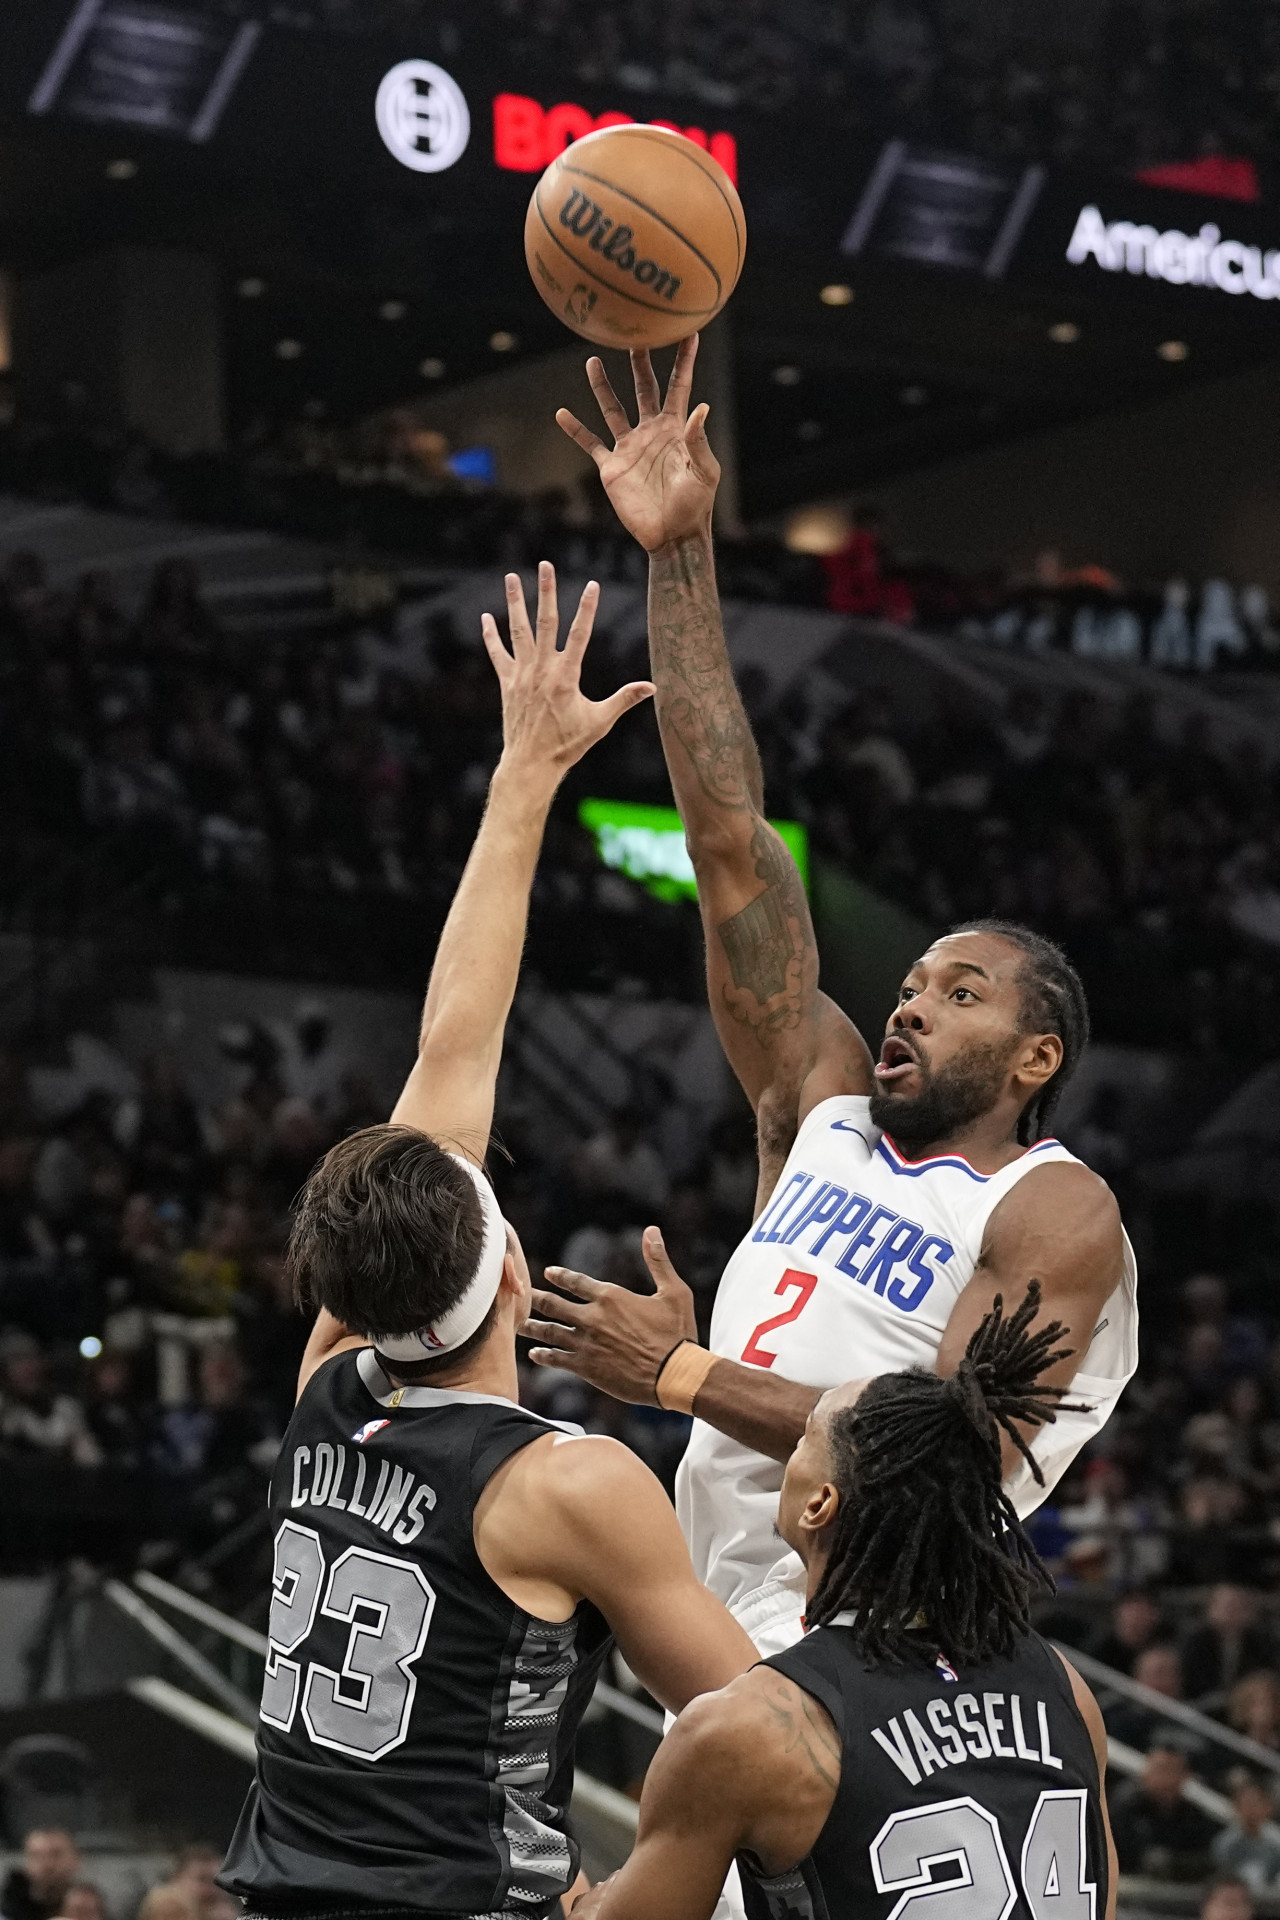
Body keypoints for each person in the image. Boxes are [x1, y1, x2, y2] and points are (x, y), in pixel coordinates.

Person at [531, 337, 1139, 1657]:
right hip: (715, 1605)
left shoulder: (1053, 1203)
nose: (911, 1006)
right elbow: (731, 843)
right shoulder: (820, 1102)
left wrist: (680, 1377)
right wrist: (679, 550)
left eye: (959, 993)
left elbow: (952, 1451)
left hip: (884, 1627)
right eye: (912, 982)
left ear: (1038, 1056)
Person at [218, 566, 755, 1920]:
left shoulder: (328, 1385)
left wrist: (524, 775)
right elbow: (761, 1733)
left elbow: (453, 1048)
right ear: (511, 1271)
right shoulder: (570, 1487)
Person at [572, 1286, 1117, 1920]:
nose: (786, 1454)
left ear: (818, 1504)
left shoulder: (749, 1728)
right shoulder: (1064, 1688)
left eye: (803, 1437)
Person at [1109, 1741, 1217, 1881]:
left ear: (1185, 1777)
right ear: (1146, 1773)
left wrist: (1172, 1862)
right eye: (1161, 1770)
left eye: (1174, 1771)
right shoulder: (1125, 1807)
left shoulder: (1193, 1815)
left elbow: (1204, 1859)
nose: (1167, 1779)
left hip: (1178, 1890)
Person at [1211, 1775, 1280, 1892]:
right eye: (1247, 1804)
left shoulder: (1276, 1840)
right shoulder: (1225, 1843)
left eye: (1256, 1803)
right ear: (1236, 1807)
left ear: (1268, 1808)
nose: (1251, 1809)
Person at [2, 1836, 82, 1920]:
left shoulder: (89, 1906)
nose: (47, 1864)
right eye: (36, 1856)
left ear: (76, 1859)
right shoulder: (6, 1910)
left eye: (56, 1854)